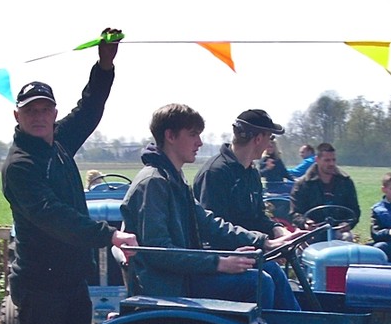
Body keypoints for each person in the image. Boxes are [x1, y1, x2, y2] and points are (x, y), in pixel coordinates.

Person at [1, 27, 137, 324]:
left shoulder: (58, 143)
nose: (39, 116)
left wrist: (104, 65)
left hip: (72, 278)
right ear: (18, 116)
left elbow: (90, 110)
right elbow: (52, 215)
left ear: (53, 113)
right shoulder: (20, 166)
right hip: (39, 282)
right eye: (31, 111)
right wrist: (108, 235)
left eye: (45, 109)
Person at [121, 103, 302, 310]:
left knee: (269, 269)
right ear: (170, 136)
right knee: (260, 282)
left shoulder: (174, 179)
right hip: (169, 285)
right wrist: (219, 262)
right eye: (193, 135)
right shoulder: (154, 183)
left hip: (184, 276)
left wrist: (263, 242)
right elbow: (159, 251)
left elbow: (209, 223)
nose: (199, 142)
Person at [193, 108, 293, 240]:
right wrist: (261, 242)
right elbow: (213, 230)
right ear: (258, 139)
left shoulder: (252, 172)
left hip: (253, 247)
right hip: (229, 252)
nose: (269, 143)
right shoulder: (215, 173)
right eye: (270, 137)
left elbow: (257, 217)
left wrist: (276, 229)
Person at [289, 142, 361, 228]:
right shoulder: (303, 184)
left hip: (339, 229)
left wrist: (348, 224)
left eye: (333, 160)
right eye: (327, 160)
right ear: (317, 160)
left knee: (346, 236)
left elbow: (354, 210)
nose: (331, 164)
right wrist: (305, 222)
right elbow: (295, 212)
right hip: (312, 230)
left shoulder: (345, 182)